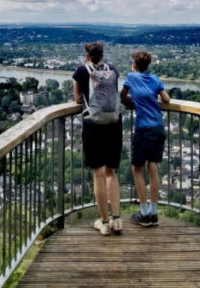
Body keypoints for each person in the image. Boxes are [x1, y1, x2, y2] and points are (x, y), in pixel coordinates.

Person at [72, 41, 123, 236]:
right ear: (102, 55)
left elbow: (78, 99)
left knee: (98, 174)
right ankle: (117, 220)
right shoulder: (113, 70)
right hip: (113, 123)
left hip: (93, 124)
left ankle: (104, 222)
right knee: (111, 172)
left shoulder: (81, 71)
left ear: (87, 56)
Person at [121, 50, 170, 227]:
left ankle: (143, 213)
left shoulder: (131, 77)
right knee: (153, 167)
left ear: (134, 64)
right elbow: (167, 100)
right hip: (158, 127)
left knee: (137, 169)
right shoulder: (156, 79)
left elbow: (122, 96)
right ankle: (153, 212)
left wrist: (134, 101)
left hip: (143, 129)